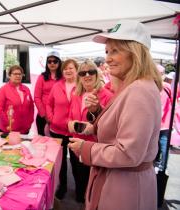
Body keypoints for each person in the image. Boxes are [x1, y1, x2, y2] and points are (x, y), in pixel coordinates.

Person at [68, 20, 162, 210]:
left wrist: (86, 148)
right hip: (120, 182)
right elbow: (121, 127)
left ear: (135, 52)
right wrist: (95, 118)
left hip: (124, 188)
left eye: (115, 51)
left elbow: (128, 153)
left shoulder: (139, 91)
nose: (108, 59)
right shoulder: (133, 86)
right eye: (107, 52)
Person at [67, 59, 113, 204]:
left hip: (93, 148)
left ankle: (89, 203)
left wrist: (93, 128)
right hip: (75, 144)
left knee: (91, 180)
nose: (87, 75)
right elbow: (70, 116)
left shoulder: (107, 96)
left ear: (96, 73)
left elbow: (110, 127)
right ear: (79, 76)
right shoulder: (76, 93)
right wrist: (71, 124)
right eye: (83, 72)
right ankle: (80, 199)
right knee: (77, 175)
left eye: (91, 71)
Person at [46, 59, 78, 200]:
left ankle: (80, 189)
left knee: (76, 162)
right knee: (61, 162)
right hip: (56, 130)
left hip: (74, 132)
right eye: (65, 69)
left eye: (71, 68)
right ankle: (62, 187)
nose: (68, 71)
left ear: (76, 70)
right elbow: (48, 104)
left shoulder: (82, 86)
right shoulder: (57, 86)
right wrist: (52, 118)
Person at [0, 65, 34, 134]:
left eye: (20, 74)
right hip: (8, 130)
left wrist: (30, 121)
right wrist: (8, 123)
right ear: (9, 75)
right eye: (15, 74)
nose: (18, 76)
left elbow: (31, 107)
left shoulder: (26, 89)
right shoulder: (3, 90)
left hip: (24, 130)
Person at [34, 51, 62, 136]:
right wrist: (44, 115)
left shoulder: (63, 78)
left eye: (55, 61)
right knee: (42, 144)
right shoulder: (42, 77)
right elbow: (37, 97)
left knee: (58, 144)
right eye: (49, 61)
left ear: (59, 62)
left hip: (58, 117)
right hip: (43, 117)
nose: (52, 63)